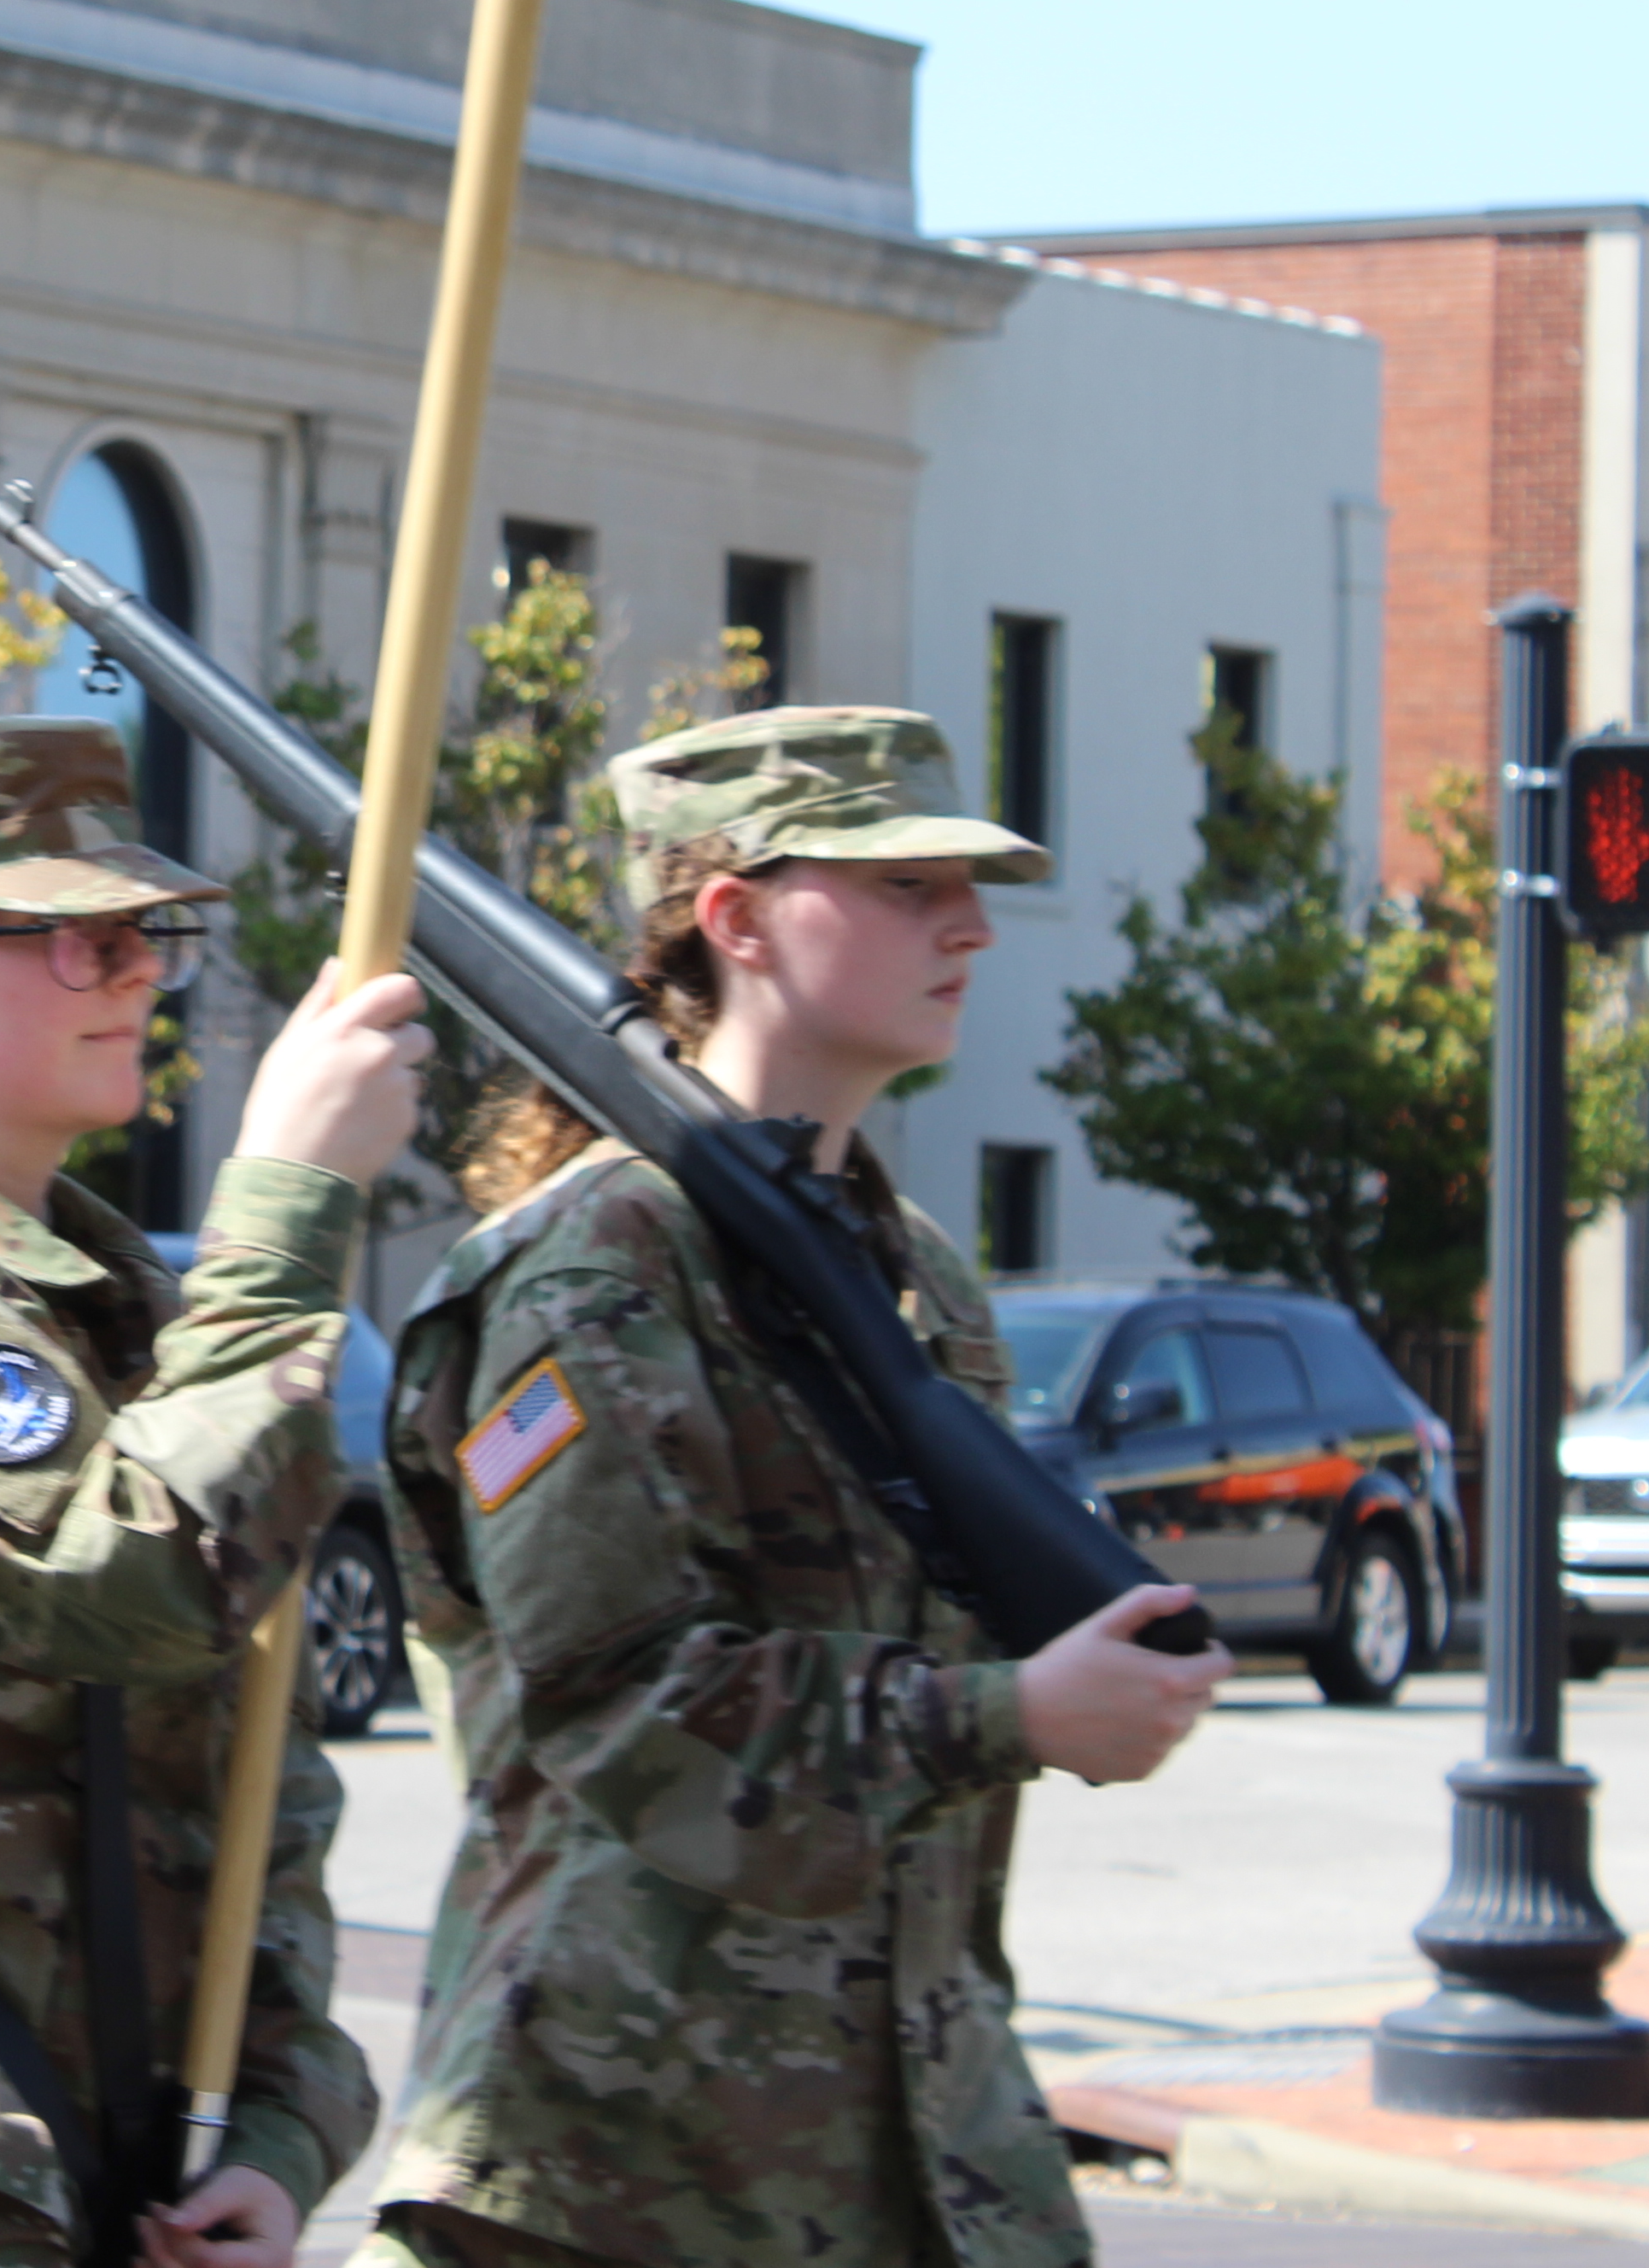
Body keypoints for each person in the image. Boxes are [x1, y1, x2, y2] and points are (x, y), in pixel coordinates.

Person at [359, 705, 1235, 2268]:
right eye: (900, 884)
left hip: (896, 2144)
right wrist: (1008, 1716)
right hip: (615, 2160)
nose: (964, 922)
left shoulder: (918, 1284)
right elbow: (618, 1704)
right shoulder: (594, 1267)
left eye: (960, 884)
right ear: (731, 917)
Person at [0, 718, 431, 2268]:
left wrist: (278, 2119)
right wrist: (286, 1212)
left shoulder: (113, 1302)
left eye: (136, 935)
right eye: (61, 934)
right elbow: (121, 1580)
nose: (124, 972)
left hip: (130, 2170)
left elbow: (265, 1779)